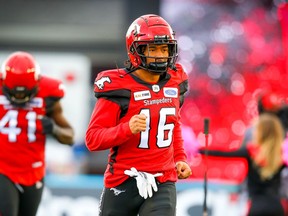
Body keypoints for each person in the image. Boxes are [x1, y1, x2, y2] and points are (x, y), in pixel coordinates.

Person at [85, 14, 192, 216]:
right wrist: (127, 129)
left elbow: (173, 123)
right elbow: (93, 139)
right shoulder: (119, 87)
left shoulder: (175, 81)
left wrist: (180, 158)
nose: (161, 55)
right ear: (137, 50)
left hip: (163, 180)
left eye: (165, 48)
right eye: (153, 49)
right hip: (123, 182)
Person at [0, 51, 74, 216]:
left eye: (24, 93)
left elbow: (70, 136)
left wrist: (54, 129)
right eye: (14, 93)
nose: (19, 97)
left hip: (33, 171)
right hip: (2, 167)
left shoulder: (48, 94)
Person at [200, 113, 287, 216]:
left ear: (260, 132)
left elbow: (224, 153)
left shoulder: (251, 152)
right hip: (277, 208)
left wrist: (198, 149)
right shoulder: (281, 155)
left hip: (256, 208)